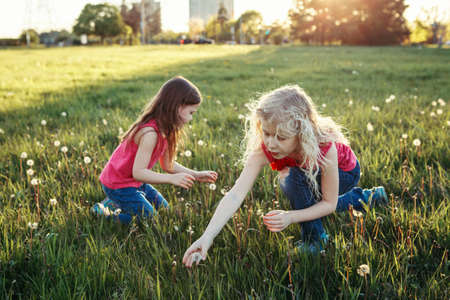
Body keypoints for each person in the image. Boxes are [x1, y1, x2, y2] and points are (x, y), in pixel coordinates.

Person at [183, 85, 387, 267]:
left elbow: (329, 204)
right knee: (299, 186)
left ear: (301, 133)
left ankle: (316, 240)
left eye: (281, 137)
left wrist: (290, 216)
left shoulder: (325, 147)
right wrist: (206, 237)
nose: (271, 143)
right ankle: (370, 198)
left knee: (294, 181)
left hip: (345, 172)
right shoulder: (266, 149)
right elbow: (235, 195)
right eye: (267, 133)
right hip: (309, 172)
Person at [91, 76, 218, 224]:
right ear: (177, 107)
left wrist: (196, 175)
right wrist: (171, 179)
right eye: (191, 113)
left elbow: (168, 165)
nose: (191, 119)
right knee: (149, 219)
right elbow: (138, 172)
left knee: (165, 210)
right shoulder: (150, 134)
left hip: (135, 183)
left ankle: (119, 203)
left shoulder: (167, 131)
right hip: (118, 184)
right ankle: (103, 213)